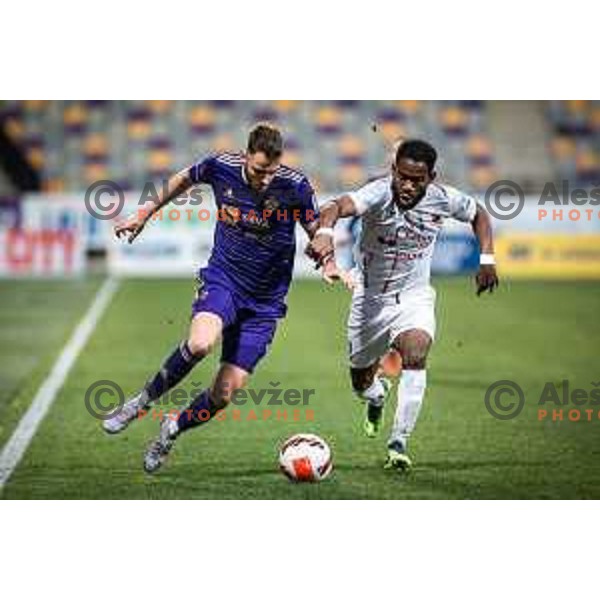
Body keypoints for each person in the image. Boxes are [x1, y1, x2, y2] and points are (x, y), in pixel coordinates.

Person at [104, 123, 320, 473]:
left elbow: (317, 229)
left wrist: (326, 255)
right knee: (201, 344)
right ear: (246, 155)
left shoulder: (295, 186)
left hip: (265, 303)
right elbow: (181, 180)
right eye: (258, 170)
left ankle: (171, 429)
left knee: (223, 395)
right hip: (225, 279)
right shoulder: (220, 165)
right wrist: (144, 213)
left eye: (271, 172)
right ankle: (139, 403)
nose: (265, 179)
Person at [307, 139, 498, 470]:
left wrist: (487, 259)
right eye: (403, 177)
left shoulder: (444, 199)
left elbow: (479, 214)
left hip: (414, 296)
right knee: (360, 384)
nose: (408, 185)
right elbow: (335, 207)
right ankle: (377, 396)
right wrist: (324, 232)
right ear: (394, 171)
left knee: (416, 352)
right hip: (369, 301)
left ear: (431, 176)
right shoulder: (377, 193)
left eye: (417, 179)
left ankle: (398, 443)